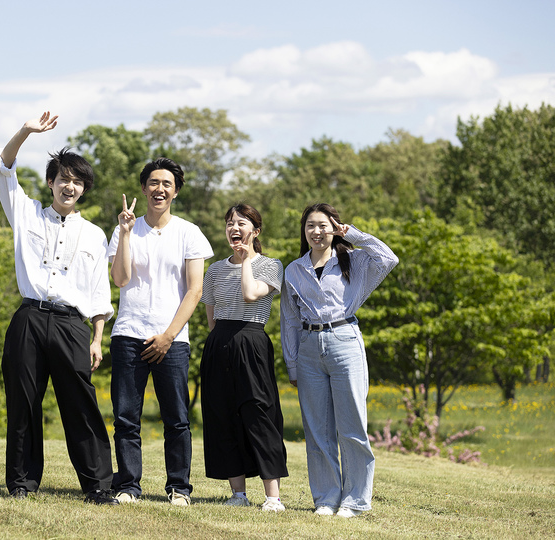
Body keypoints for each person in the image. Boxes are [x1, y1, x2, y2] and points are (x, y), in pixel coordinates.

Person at [0, 111, 118, 505]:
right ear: (51, 182)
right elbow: (3, 167)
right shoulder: (25, 212)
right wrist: (27, 131)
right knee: (23, 402)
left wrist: (98, 339)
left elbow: (100, 292)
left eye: (77, 181)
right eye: (64, 178)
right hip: (29, 317)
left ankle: (98, 485)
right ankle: (21, 484)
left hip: (71, 325)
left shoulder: (96, 234)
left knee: (81, 405)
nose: (70, 186)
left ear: (83, 190)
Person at [280, 203, 398, 518]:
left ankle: (355, 501)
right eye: (310, 226)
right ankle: (327, 499)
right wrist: (291, 364)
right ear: (303, 232)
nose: (316, 232)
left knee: (352, 425)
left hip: (345, 341)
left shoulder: (353, 261)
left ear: (334, 228)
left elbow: (389, 258)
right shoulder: (294, 269)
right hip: (308, 348)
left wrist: (354, 234)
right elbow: (289, 320)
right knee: (317, 429)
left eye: (323, 225)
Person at [108, 158, 214, 506]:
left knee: (177, 418)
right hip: (128, 333)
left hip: (173, 340)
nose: (159, 189)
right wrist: (124, 233)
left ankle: (179, 488)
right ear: (143, 188)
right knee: (126, 418)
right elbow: (120, 279)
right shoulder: (126, 228)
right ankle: (127, 485)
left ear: (176, 191)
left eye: (167, 184)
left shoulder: (189, 232)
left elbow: (195, 291)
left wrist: (168, 335)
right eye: (153, 183)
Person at [200, 203, 288, 512]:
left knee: (258, 414)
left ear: (255, 231)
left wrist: (245, 260)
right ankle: (237, 493)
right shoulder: (213, 270)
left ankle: (273, 498)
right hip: (220, 342)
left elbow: (251, 294)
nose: (234, 228)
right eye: (229, 224)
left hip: (251, 340)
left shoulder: (271, 265)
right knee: (222, 415)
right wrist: (219, 340)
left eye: (241, 223)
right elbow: (211, 318)